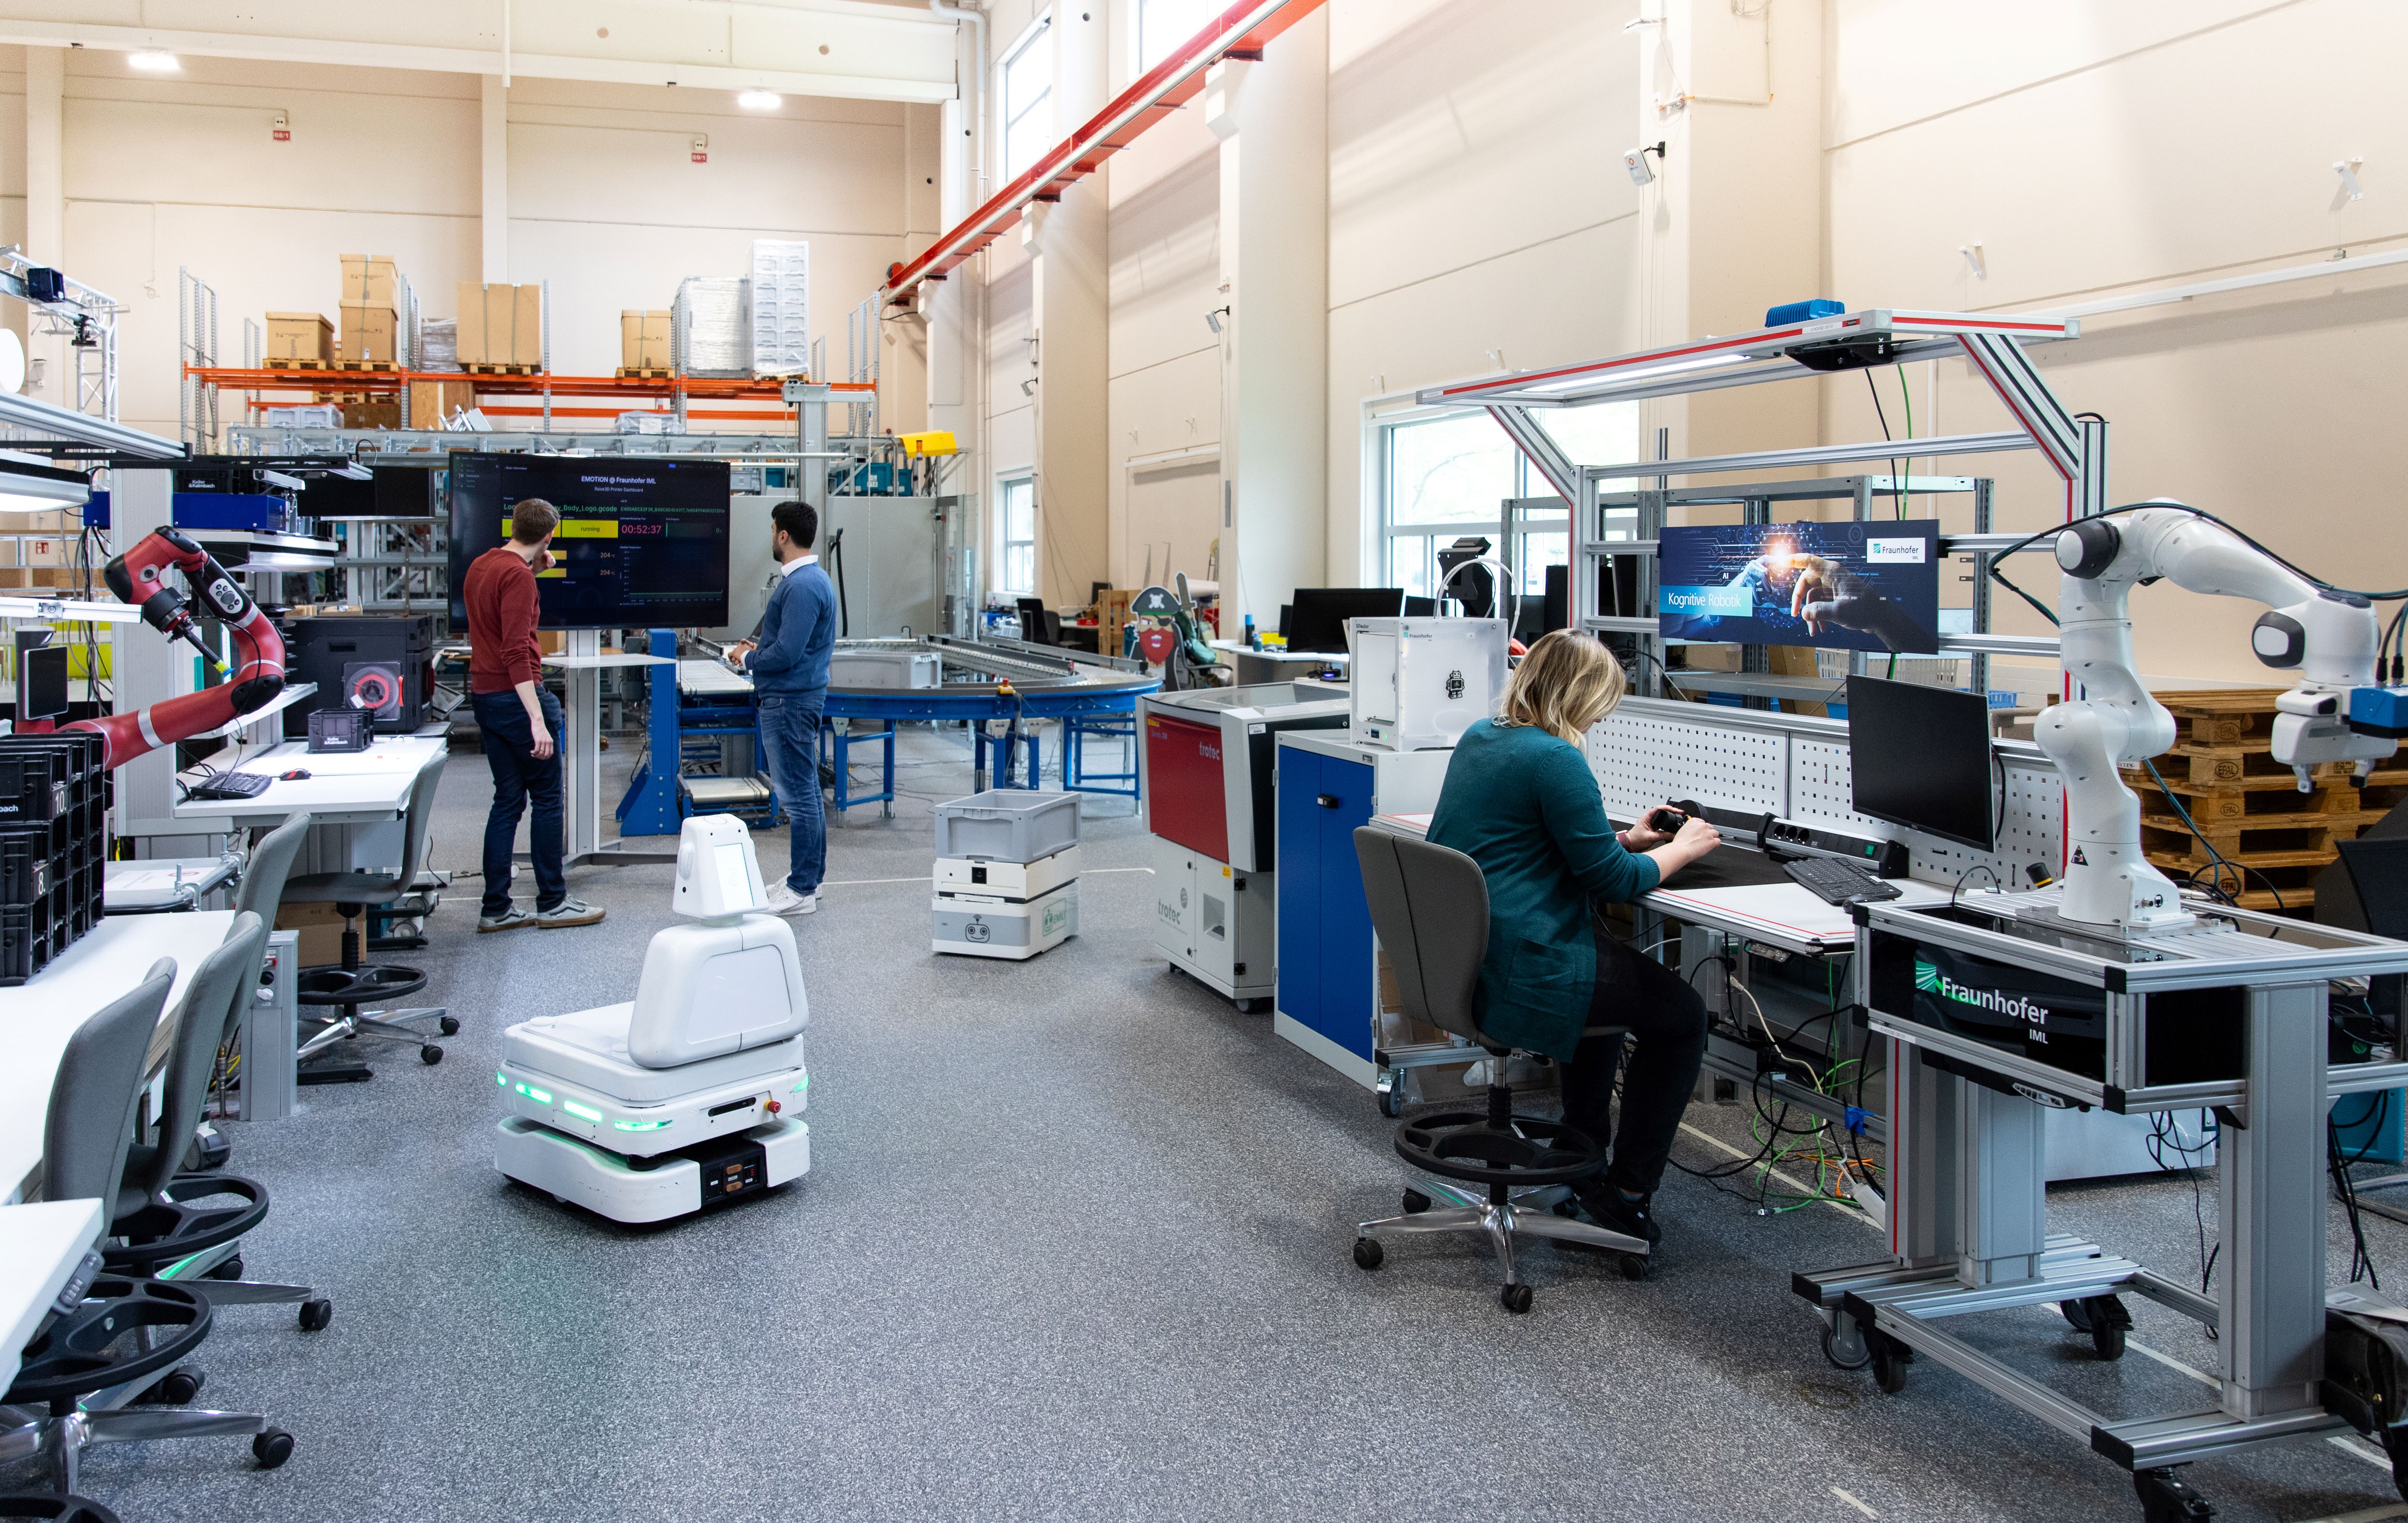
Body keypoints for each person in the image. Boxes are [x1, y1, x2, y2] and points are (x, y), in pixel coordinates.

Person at [1425, 629, 1721, 1247]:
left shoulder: (1485, 737)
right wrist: (1683, 849)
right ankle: (1627, 1194)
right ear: (1579, 696)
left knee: (1615, 979)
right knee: (1682, 1015)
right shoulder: (1557, 758)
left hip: (1468, 959)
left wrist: (1630, 839)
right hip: (1526, 968)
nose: (1602, 717)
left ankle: (1580, 1149)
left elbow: (1535, 848)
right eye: (1601, 703)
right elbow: (1611, 883)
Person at [463, 497, 604, 932]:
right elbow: (516, 651)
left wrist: (534, 570)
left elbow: (498, 619)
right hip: (517, 698)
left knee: (507, 799)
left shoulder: (483, 566)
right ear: (549, 535)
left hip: (485, 695)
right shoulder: (518, 578)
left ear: (514, 526)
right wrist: (537, 719)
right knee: (546, 798)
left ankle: (496, 907)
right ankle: (553, 901)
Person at [726, 501, 837, 916]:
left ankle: (802, 887)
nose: (772, 536)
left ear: (784, 535)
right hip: (794, 697)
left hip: (789, 700)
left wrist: (748, 659)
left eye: (774, 529)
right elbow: (792, 642)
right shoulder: (808, 581)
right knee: (805, 791)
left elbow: (788, 652)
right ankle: (810, 879)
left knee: (799, 797)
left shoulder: (803, 584)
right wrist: (758, 649)